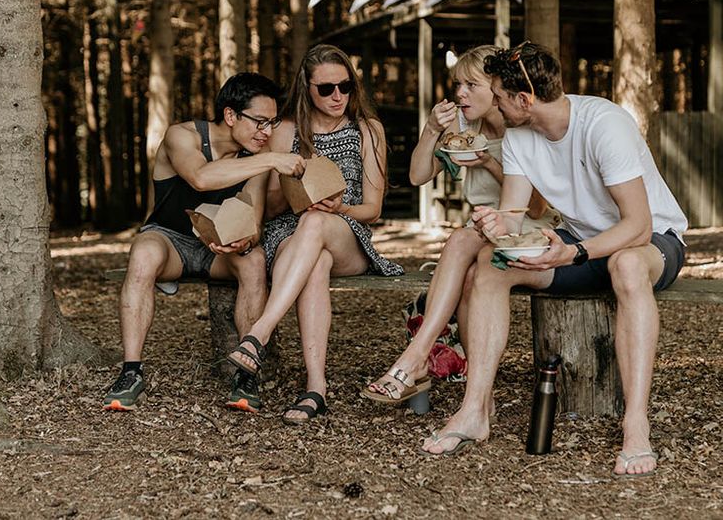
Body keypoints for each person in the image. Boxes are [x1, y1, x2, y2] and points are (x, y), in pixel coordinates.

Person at [420, 42, 687, 479]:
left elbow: (637, 225)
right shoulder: (520, 136)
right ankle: (474, 412)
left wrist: (573, 253)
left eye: (501, 96)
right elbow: (512, 215)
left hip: (652, 241)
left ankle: (635, 424)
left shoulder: (604, 124)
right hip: (578, 241)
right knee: (491, 263)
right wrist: (494, 224)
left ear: (524, 99)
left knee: (626, 265)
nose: (497, 106)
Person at [103, 72, 306, 413]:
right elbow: (199, 178)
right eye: (259, 122)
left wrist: (242, 242)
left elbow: (253, 222)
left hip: (218, 249)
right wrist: (272, 159)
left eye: (271, 123)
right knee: (143, 253)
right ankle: (131, 371)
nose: (267, 132)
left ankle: (246, 374)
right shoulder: (183, 136)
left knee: (254, 259)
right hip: (171, 240)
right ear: (230, 115)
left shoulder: (254, 156)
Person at [361, 45, 553, 404]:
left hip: (527, 231)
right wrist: (432, 130)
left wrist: (487, 163)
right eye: (457, 85)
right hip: (480, 231)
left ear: (496, 89)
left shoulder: (524, 131)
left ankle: (417, 361)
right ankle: (476, 394)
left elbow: (540, 206)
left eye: (471, 85)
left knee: (463, 241)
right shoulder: (464, 128)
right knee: (467, 268)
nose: (460, 93)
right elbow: (419, 175)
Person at [226, 44, 404, 423]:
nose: (338, 96)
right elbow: (267, 204)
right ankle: (315, 388)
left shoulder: (368, 130)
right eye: (326, 89)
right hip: (290, 235)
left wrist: (337, 207)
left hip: (347, 232)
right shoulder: (286, 130)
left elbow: (372, 209)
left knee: (317, 224)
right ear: (306, 89)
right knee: (315, 259)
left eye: (345, 86)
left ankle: (259, 333)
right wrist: (293, 189)